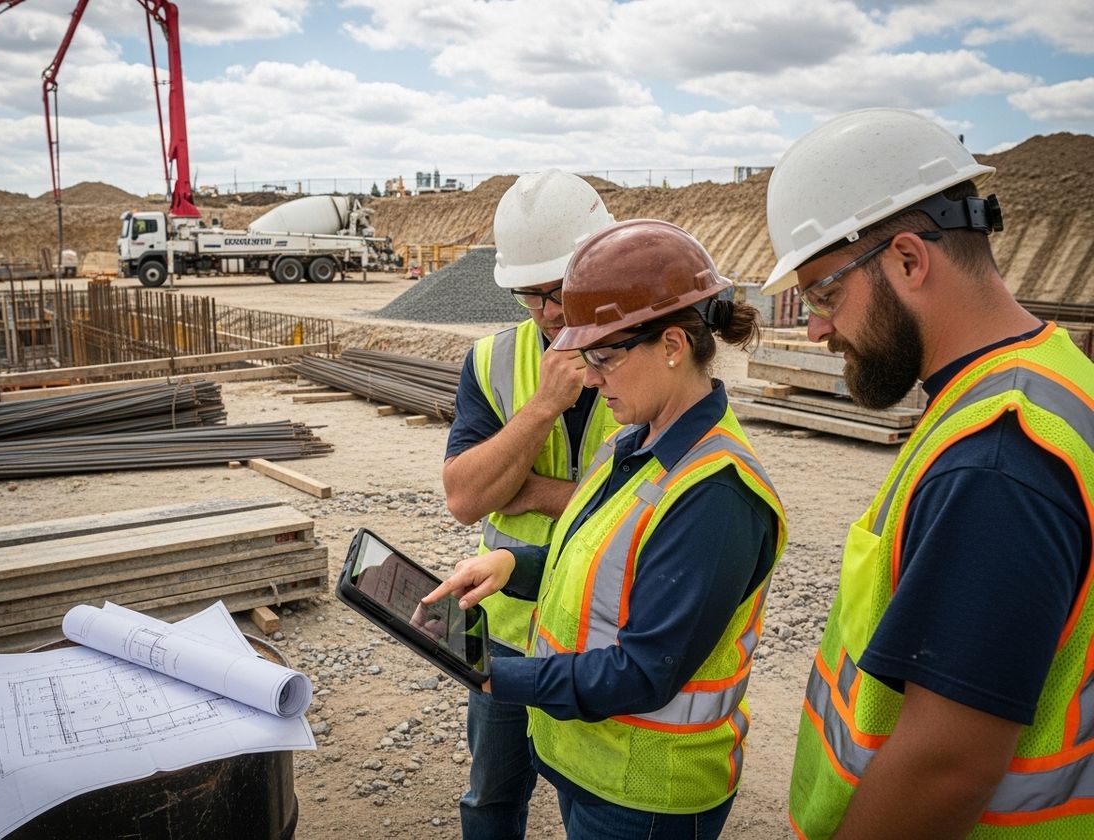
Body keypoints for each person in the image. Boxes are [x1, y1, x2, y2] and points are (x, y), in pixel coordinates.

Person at [760, 107, 1094, 838]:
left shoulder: (997, 458)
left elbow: (946, 764)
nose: (814, 328)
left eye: (824, 294)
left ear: (910, 261)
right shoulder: (1051, 377)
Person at [431, 219, 787, 839]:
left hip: (649, 796)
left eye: (604, 356)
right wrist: (513, 567)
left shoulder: (715, 493)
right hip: (599, 772)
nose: (589, 378)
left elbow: (646, 670)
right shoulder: (636, 444)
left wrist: (496, 674)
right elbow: (601, 563)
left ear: (673, 345)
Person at [441, 169, 618, 839]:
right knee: (491, 798)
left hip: (608, 632)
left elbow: (664, 509)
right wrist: (545, 404)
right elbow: (466, 498)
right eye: (531, 295)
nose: (547, 312)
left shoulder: (653, 359)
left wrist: (535, 491)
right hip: (510, 629)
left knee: (594, 802)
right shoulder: (492, 362)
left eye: (561, 291)